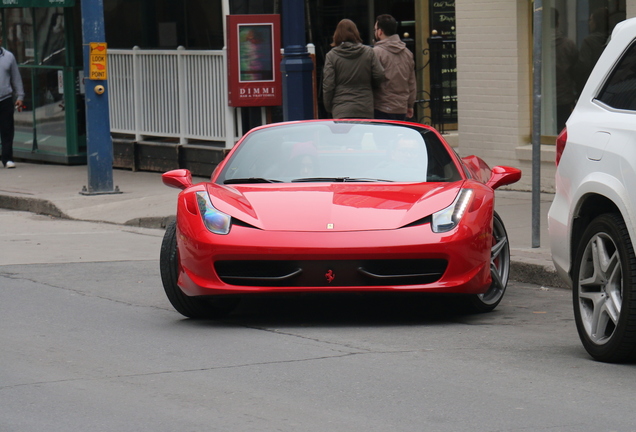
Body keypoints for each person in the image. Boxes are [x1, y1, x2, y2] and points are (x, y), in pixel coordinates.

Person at [322, 19, 384, 119]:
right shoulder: (368, 52)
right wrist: (370, 86)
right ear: (355, 33)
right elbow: (379, 74)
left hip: (341, 107)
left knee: (343, 134)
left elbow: (328, 85)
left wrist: (329, 106)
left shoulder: (331, 56)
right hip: (364, 105)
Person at [372, 14, 416, 121]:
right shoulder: (407, 53)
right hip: (401, 107)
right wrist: (410, 105)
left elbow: (373, 79)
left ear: (380, 31)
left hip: (382, 106)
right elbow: (411, 82)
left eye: (375, 29)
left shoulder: (377, 53)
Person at [0, 36, 24, 169]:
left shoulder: (8, 57)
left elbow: (16, 77)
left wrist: (20, 96)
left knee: (7, 130)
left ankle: (7, 158)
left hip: (5, 98)